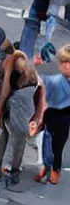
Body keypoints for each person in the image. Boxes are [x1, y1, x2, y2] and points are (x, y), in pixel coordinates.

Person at [0, 51, 44, 185]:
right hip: (22, 99)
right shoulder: (27, 71)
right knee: (9, 135)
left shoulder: (18, 72)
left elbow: (4, 93)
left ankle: (8, 167)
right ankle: (4, 166)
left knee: (14, 135)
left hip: (21, 99)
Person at [35, 43, 70, 184]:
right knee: (47, 139)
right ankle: (47, 166)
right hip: (50, 110)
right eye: (64, 62)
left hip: (65, 113)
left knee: (59, 143)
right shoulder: (52, 75)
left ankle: (56, 167)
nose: (67, 66)